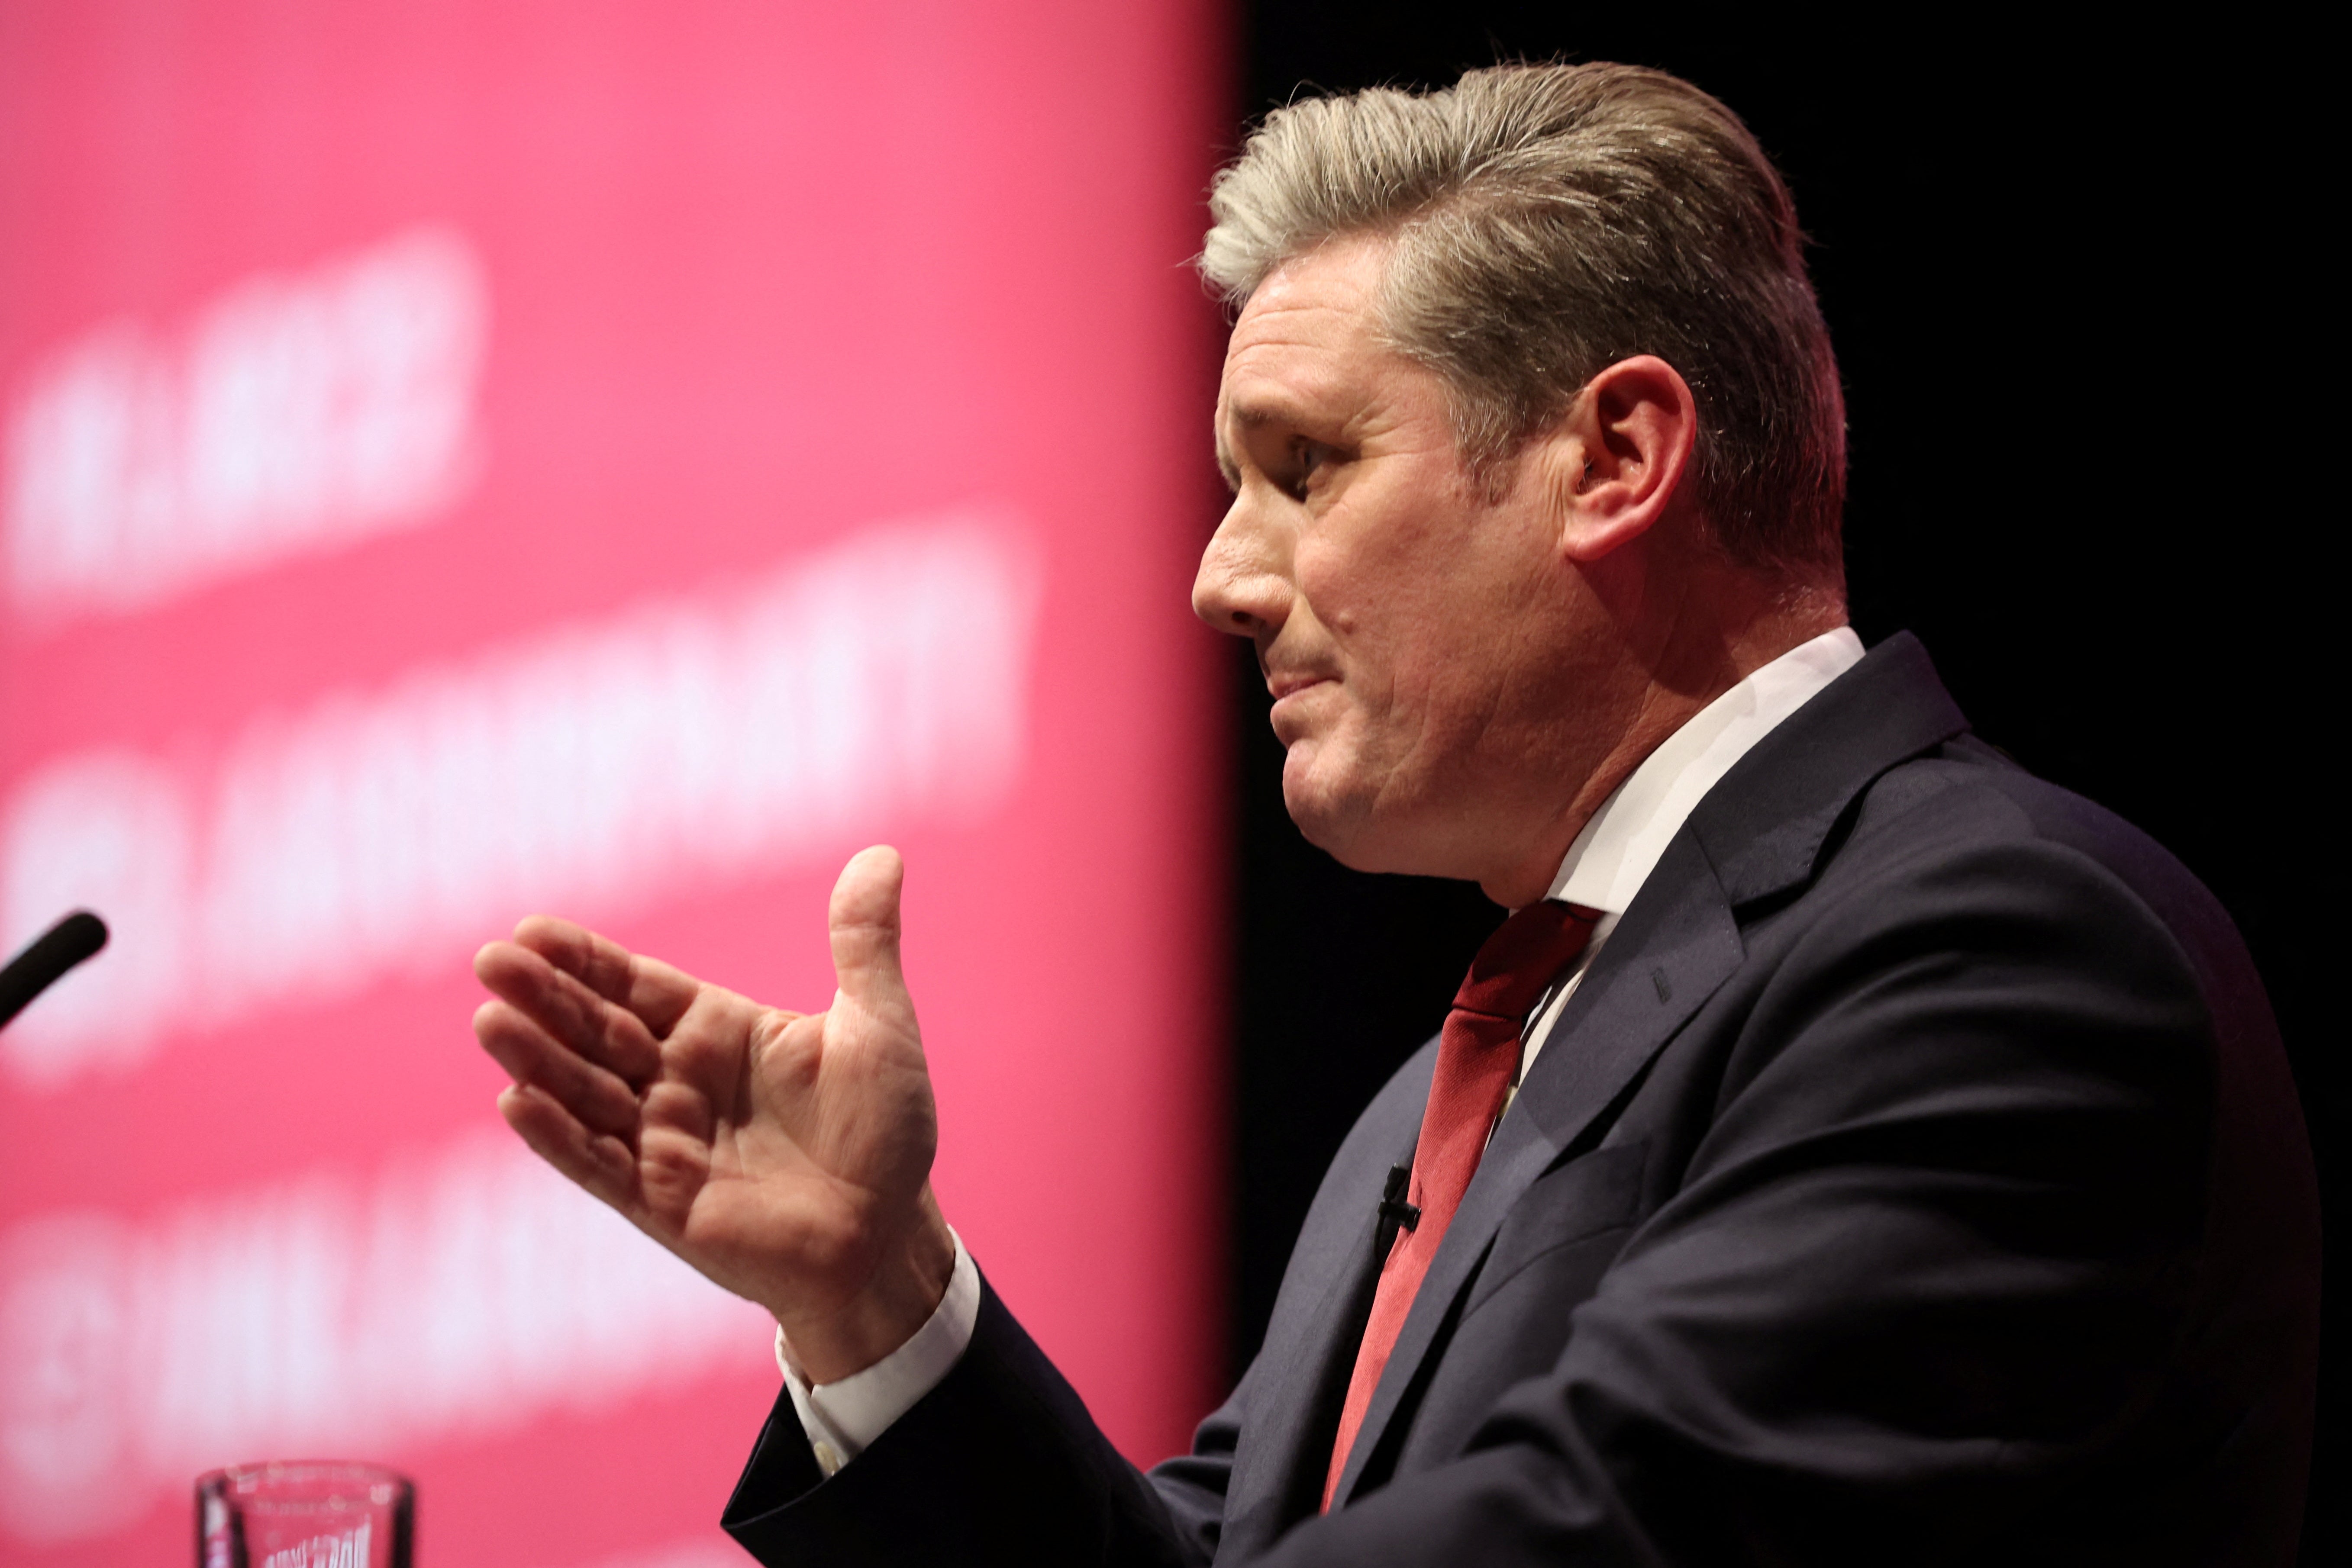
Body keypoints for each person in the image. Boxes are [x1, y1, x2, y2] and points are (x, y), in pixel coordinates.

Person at [470, 63, 2320, 1565]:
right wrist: (875, 1297)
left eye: (1306, 468)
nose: (1218, 581)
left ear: (1616, 459)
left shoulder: (1996, 957)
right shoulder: (1453, 1090)